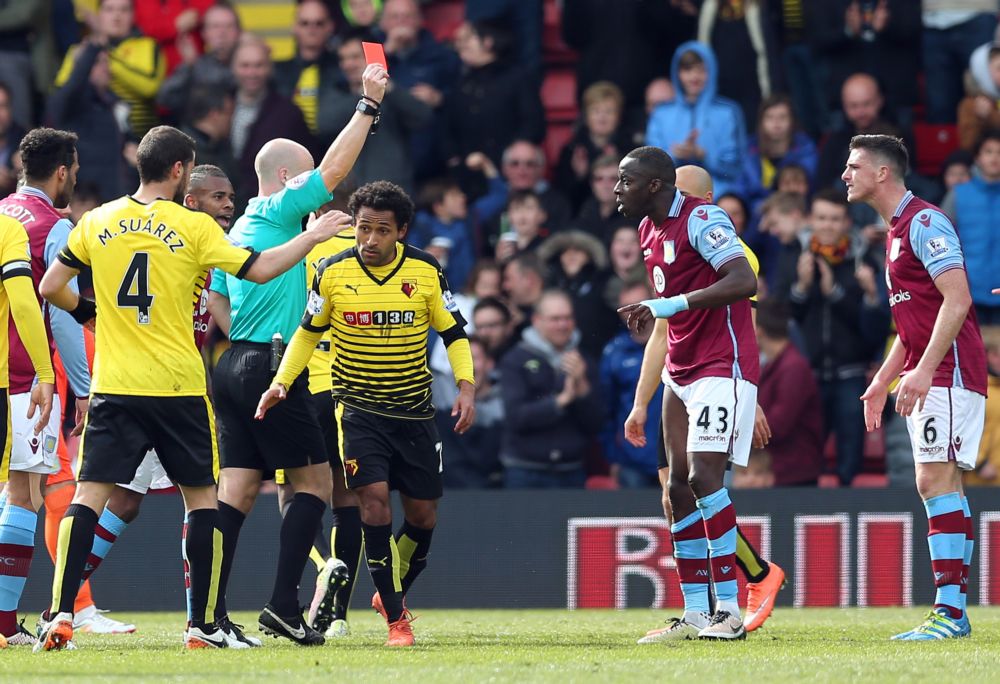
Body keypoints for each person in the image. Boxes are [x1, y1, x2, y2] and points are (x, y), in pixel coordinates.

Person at [32, 124, 348, 652]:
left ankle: (59, 613)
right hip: (177, 385)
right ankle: (202, 625)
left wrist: (92, 315)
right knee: (202, 501)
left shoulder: (96, 221)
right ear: (180, 171)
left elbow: (49, 287)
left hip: (115, 383)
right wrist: (312, 237)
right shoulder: (195, 228)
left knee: (89, 498)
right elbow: (264, 269)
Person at [205, 63, 387, 647]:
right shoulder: (278, 211)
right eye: (304, 179)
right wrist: (367, 105)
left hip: (229, 364)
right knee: (313, 484)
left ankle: (204, 615)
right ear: (286, 177)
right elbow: (333, 171)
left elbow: (220, 309)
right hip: (272, 364)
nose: (317, 189)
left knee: (233, 491)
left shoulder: (233, 235)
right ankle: (285, 605)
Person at [257, 180, 476, 647]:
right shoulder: (332, 272)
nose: (369, 240)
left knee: (423, 515)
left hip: (415, 410)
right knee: (371, 501)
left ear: (401, 232)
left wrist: (466, 386)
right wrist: (281, 381)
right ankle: (397, 620)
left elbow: (454, 333)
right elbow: (307, 333)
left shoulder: (425, 270)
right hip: (356, 408)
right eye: (362, 229)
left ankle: (388, 591)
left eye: (381, 231)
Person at [66, 165, 244, 644]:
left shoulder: (203, 248)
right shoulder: (185, 238)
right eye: (219, 197)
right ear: (189, 200)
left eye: (232, 197)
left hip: (151, 384)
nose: (228, 205)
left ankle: (73, 602)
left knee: (124, 502)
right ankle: (200, 621)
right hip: (163, 389)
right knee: (190, 498)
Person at [628, 163, 783, 640]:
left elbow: (742, 310)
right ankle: (696, 613)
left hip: (722, 368)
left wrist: (748, 395)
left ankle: (732, 606)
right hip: (680, 369)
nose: (617, 189)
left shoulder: (712, 229)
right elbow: (661, 330)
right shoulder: (650, 231)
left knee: (701, 479)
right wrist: (641, 402)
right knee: (675, 491)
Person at [850, 134, 987, 640]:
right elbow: (915, 322)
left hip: (948, 370)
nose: (846, 174)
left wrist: (925, 370)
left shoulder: (925, 222)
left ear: (882, 173)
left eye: (854, 166)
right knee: (940, 482)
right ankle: (953, 611)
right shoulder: (894, 231)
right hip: (936, 367)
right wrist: (883, 379)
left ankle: (950, 613)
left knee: (933, 481)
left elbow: (958, 299)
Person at [0, 130, 69, 646]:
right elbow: (43, 306)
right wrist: (59, 376)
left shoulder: (5, 212)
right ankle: (3, 625)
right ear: (63, 171)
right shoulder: (49, 226)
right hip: (23, 376)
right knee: (26, 492)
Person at [789, 189, 890, 485]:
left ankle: (846, 525)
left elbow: (875, 332)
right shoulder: (793, 254)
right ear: (810, 220)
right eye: (821, 218)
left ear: (847, 222)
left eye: (835, 219)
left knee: (851, 461)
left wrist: (840, 294)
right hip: (807, 374)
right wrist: (802, 287)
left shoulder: (865, 261)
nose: (828, 225)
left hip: (851, 375)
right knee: (806, 460)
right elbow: (781, 317)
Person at [498, 290, 602, 488]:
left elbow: (596, 423)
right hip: (524, 470)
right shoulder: (515, 359)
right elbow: (516, 417)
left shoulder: (584, 360)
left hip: (571, 470)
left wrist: (582, 389)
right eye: (555, 319)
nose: (563, 325)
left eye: (568, 318)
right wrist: (561, 401)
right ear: (537, 320)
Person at [316, 29, 432, 193]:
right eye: (343, 58)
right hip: (349, 192)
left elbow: (423, 118)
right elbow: (324, 125)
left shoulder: (392, 92)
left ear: (372, 58)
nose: (348, 64)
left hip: (392, 191)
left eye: (355, 57)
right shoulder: (336, 92)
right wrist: (368, 96)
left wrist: (387, 89)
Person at [645, 42, 746, 198]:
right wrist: (675, 155)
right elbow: (651, 165)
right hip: (670, 196)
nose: (694, 76)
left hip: (719, 196)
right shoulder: (661, 113)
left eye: (701, 70)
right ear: (677, 73)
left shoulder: (727, 112)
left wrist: (704, 156)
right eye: (688, 69)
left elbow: (736, 167)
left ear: (711, 71)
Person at [54, 0, 165, 138]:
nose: (117, 16)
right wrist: (89, 55)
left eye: (124, 10)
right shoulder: (79, 50)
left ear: (133, 14)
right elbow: (62, 93)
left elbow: (150, 88)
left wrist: (105, 57)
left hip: (140, 138)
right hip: (87, 134)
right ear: (99, 14)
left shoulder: (148, 46)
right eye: (109, 9)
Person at [754, 299, 825, 486]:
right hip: (780, 472)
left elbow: (777, 426)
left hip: (794, 479)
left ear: (758, 330)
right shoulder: (777, 364)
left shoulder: (793, 368)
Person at [600, 279, 662, 488]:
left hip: (679, 455)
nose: (634, 313)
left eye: (639, 305)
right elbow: (606, 410)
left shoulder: (677, 343)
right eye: (627, 309)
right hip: (633, 460)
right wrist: (613, 457)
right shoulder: (614, 352)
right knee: (640, 521)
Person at [945, 131, 1000, 325]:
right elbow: (941, 243)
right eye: (989, 152)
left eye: (999, 152)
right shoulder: (958, 195)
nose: (995, 158)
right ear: (978, 158)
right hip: (968, 293)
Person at [156, 2, 241, 118]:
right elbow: (165, 99)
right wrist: (188, 67)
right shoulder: (195, 66)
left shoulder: (253, 63)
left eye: (229, 26)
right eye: (215, 26)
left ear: (239, 32)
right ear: (204, 33)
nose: (222, 32)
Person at [273, 0, 340, 137]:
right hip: (288, 150)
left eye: (319, 23)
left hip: (334, 148)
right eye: (305, 23)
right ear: (294, 27)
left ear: (330, 27)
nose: (312, 29)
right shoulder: (276, 72)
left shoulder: (343, 70)